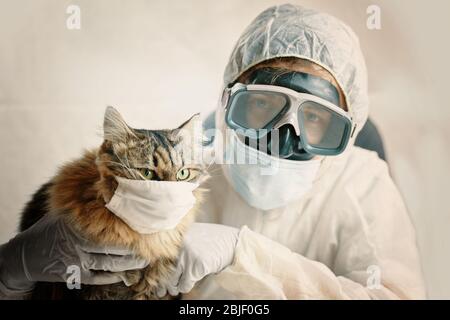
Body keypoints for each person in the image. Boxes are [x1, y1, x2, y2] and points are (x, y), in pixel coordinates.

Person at [0, 4, 425, 299]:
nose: (284, 134)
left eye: (315, 118)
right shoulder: (184, 168)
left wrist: (243, 254)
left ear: (345, 131)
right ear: (227, 103)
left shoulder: (364, 182)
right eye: (263, 104)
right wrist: (11, 271)